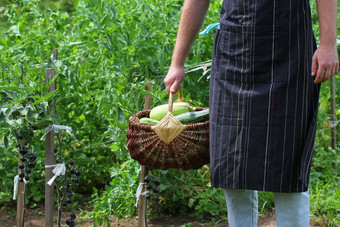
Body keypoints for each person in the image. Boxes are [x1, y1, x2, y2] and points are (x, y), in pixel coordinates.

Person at [163, 0, 338, 226]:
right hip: (235, 51)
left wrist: (328, 44)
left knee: (288, 166)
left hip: (291, 49)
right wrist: (177, 62)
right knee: (231, 168)